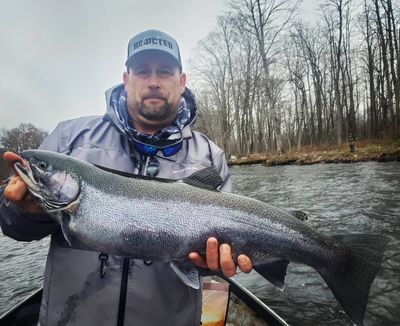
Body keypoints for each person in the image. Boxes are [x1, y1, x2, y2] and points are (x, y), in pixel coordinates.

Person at [0, 29, 252, 326]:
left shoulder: (210, 157)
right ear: (126, 79)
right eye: (143, 71)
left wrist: (216, 264)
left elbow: (217, 263)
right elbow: (11, 225)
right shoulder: (69, 139)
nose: (154, 81)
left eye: (165, 72)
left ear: (181, 82)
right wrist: (26, 211)